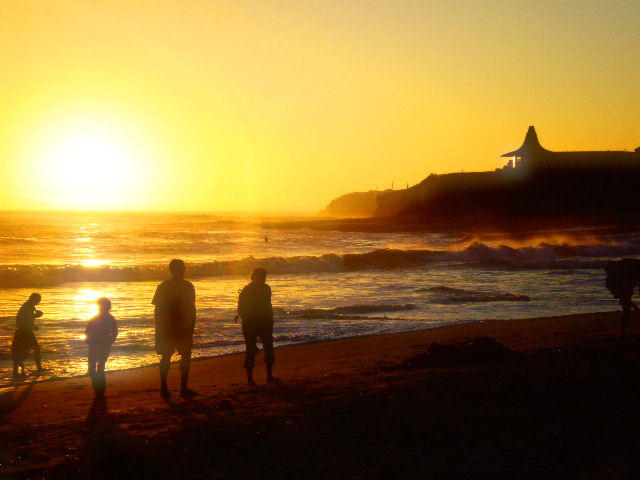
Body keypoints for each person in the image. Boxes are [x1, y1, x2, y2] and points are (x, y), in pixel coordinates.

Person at [152, 259, 197, 397]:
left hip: (184, 326)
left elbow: (192, 307)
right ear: (172, 271)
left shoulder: (188, 286)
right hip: (168, 328)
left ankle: (183, 387)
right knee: (166, 356)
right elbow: (157, 309)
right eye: (180, 269)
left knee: (185, 357)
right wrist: (160, 327)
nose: (182, 271)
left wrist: (192, 325)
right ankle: (164, 387)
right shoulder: (164, 286)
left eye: (183, 269)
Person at [236, 267, 276, 385]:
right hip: (250, 324)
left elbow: (268, 306)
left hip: (265, 322)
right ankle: (250, 379)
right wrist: (248, 323)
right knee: (251, 351)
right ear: (253, 277)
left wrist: (271, 321)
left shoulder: (266, 288)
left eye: (264, 277)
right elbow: (241, 309)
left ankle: (269, 376)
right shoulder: (246, 291)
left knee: (269, 348)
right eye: (260, 277)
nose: (262, 280)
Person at [85, 297, 118, 396]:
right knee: (98, 367)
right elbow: (115, 332)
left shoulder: (98, 318)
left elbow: (87, 331)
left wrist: (88, 339)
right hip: (100, 345)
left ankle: (99, 388)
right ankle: (99, 388)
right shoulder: (108, 318)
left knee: (94, 367)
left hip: (97, 345)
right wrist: (110, 341)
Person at [12, 293, 44, 377]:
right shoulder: (28, 307)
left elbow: (25, 319)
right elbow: (24, 321)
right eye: (38, 300)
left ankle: (16, 371)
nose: (39, 302)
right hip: (24, 331)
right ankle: (38, 368)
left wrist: (35, 316)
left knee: (21, 350)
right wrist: (34, 325)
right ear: (35, 299)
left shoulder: (29, 306)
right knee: (34, 348)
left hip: (23, 331)